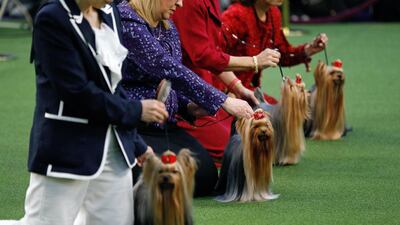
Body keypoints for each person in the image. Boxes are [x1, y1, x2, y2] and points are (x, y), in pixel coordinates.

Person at [21, 0, 168, 225]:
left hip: (115, 151)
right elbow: (76, 92)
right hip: (65, 151)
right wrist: (137, 110)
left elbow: (114, 87)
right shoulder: (52, 17)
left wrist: (136, 144)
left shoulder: (110, 13)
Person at [117, 0, 254, 196]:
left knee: (205, 175)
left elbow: (171, 83)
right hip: (134, 124)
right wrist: (222, 100)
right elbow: (169, 68)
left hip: (165, 124)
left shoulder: (168, 25)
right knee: (151, 175)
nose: (181, 4)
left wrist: (189, 106)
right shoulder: (127, 19)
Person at [171, 0, 281, 166]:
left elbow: (214, 53)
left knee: (252, 129)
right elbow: (204, 56)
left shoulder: (214, 2)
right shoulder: (193, 4)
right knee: (237, 146)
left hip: (210, 92)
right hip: (190, 98)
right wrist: (254, 61)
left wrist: (238, 87)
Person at [220, 0, 328, 96]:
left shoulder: (273, 13)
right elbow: (213, 59)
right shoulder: (235, 15)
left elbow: (283, 54)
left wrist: (308, 49)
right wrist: (235, 88)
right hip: (222, 91)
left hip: (248, 91)